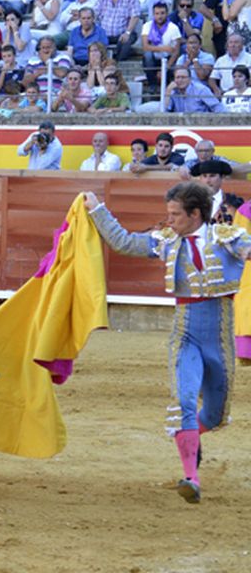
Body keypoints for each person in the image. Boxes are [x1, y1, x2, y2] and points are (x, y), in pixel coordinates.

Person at [83, 183, 251, 504]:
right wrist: (96, 209)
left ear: (195, 214)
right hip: (184, 335)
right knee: (184, 401)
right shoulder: (167, 242)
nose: (169, 219)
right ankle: (191, 477)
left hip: (220, 340)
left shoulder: (227, 238)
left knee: (214, 415)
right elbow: (124, 242)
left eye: (175, 214)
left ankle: (190, 439)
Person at [141, 3, 182, 89]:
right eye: (157, 13)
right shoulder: (147, 26)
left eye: (162, 13)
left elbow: (176, 51)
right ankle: (152, 85)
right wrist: (164, 48)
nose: (160, 16)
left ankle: (167, 85)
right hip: (154, 58)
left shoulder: (173, 28)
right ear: (153, 14)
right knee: (147, 55)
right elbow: (145, 47)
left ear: (167, 14)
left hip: (168, 59)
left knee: (176, 65)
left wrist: (165, 69)